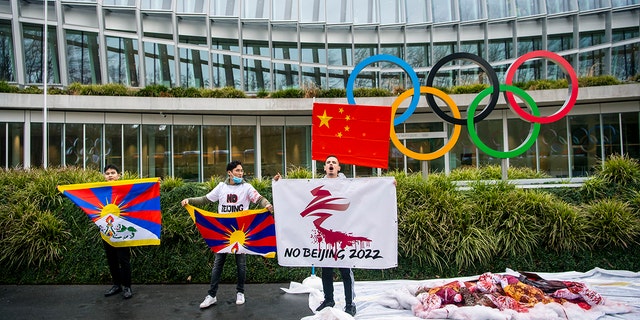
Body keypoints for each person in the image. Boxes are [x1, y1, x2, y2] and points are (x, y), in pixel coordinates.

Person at [181, 160, 274, 309]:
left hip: (241, 232)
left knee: (241, 264)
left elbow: (260, 199)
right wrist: (189, 201)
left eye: (242, 171)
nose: (241, 173)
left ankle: (240, 292)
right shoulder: (221, 187)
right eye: (237, 171)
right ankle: (211, 295)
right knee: (218, 264)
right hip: (223, 231)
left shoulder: (247, 187)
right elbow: (205, 199)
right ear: (229, 173)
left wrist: (267, 205)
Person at [273, 155, 356, 316]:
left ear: (339, 168)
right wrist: (280, 184)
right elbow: (296, 193)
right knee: (326, 269)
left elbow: (368, 191)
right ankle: (329, 300)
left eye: (334, 163)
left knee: (346, 271)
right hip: (325, 236)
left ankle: (349, 303)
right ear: (324, 168)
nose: (331, 164)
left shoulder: (349, 185)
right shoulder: (318, 185)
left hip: (343, 234)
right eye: (328, 163)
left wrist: (388, 185)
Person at [102, 164, 134, 300]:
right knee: (111, 259)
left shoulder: (124, 189)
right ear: (104, 176)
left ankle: (127, 286)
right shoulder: (100, 190)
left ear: (118, 175)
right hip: (106, 230)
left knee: (123, 259)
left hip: (122, 230)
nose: (110, 175)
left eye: (113, 173)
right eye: (107, 173)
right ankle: (116, 285)